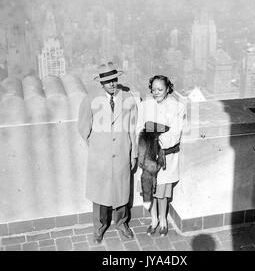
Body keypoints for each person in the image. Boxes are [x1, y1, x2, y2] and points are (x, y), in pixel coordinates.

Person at [78, 61, 138, 244]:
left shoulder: (127, 98)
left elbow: (133, 129)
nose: (112, 84)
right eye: (108, 81)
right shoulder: (90, 99)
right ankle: (99, 227)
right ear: (101, 83)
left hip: (121, 153)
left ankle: (121, 223)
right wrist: (97, 145)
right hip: (100, 157)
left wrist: (133, 152)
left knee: (121, 191)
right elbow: (83, 127)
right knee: (100, 194)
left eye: (114, 80)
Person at [136, 75, 186, 236]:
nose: (156, 92)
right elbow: (139, 128)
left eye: (160, 89)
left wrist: (157, 143)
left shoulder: (177, 106)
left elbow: (175, 132)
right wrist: (147, 144)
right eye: (154, 89)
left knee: (162, 191)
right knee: (149, 189)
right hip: (148, 155)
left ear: (167, 89)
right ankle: (154, 219)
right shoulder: (144, 106)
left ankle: (163, 220)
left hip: (165, 155)